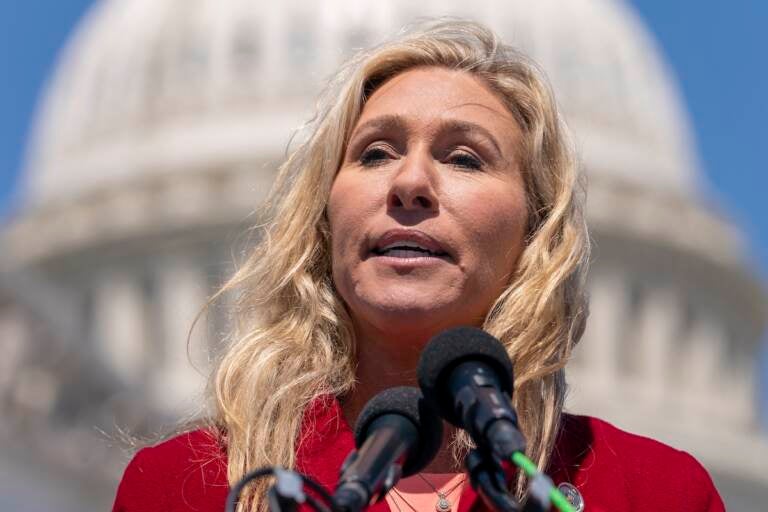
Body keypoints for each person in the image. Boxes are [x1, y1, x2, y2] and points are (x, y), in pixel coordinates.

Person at [112, 19, 724, 512]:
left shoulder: (656, 494)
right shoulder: (184, 489)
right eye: (375, 153)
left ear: (535, 235)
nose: (410, 183)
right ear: (325, 222)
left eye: (464, 158)